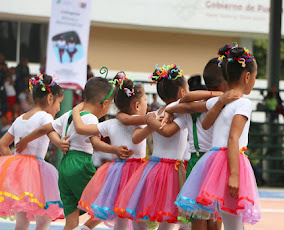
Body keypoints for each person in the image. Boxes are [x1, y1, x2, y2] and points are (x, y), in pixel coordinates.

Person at [16, 77, 126, 230]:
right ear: (105, 103)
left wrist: (25, 140)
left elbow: (46, 129)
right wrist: (115, 149)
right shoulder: (91, 119)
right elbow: (95, 143)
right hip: (80, 164)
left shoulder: (68, 115)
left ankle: (79, 228)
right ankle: (85, 228)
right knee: (105, 205)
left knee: (71, 222)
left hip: (65, 167)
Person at [175, 43, 261, 229]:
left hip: (213, 161)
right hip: (230, 162)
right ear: (247, 77)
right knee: (233, 222)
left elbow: (205, 125)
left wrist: (219, 101)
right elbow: (233, 139)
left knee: (230, 219)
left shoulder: (220, 101)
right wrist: (235, 175)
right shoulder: (243, 103)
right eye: (255, 77)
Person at [160, 58, 240, 230]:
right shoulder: (225, 103)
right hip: (217, 163)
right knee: (214, 217)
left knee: (199, 216)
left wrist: (167, 111)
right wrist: (219, 96)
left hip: (198, 163)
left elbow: (179, 102)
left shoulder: (193, 106)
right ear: (225, 83)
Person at [114, 64, 189, 230]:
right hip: (170, 170)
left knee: (160, 216)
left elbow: (137, 137)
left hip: (153, 168)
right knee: (167, 218)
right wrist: (150, 123)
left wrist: (151, 121)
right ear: (182, 93)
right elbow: (164, 133)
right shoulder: (179, 114)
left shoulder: (156, 114)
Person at [74, 73, 151, 230]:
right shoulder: (144, 122)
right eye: (145, 102)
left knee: (120, 215)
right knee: (137, 216)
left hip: (117, 173)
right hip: (137, 174)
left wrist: (76, 110)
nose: (147, 106)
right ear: (137, 106)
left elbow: (81, 128)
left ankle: (84, 228)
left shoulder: (111, 124)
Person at [0, 74, 69, 229]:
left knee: (22, 221)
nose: (58, 108)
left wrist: (13, 167)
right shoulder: (45, 117)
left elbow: (3, 144)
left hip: (19, 173)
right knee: (44, 221)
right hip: (36, 173)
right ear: (50, 98)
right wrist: (59, 142)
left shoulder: (20, 118)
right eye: (59, 103)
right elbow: (49, 132)